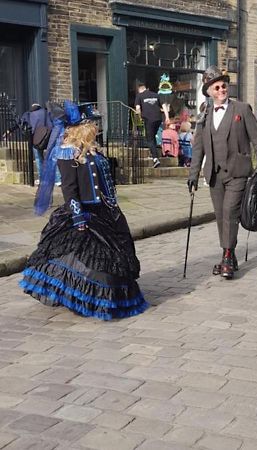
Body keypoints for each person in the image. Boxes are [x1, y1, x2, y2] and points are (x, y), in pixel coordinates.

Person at [20, 101, 149, 320]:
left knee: (113, 259)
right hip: (83, 212)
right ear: (84, 128)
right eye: (94, 125)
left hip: (106, 212)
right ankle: (81, 297)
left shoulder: (93, 151)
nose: (97, 128)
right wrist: (78, 216)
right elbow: (70, 190)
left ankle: (109, 298)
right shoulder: (67, 153)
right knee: (82, 258)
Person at [187, 66, 257, 279]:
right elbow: (198, 148)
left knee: (230, 212)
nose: (222, 89)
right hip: (214, 174)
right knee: (220, 215)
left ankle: (226, 256)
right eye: (217, 87)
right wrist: (193, 175)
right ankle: (229, 255)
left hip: (238, 171)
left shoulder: (241, 109)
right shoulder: (204, 113)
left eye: (224, 86)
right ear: (209, 91)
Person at [135, 82, 169, 168]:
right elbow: (164, 105)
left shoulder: (139, 96)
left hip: (148, 119)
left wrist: (139, 116)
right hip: (158, 119)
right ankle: (153, 153)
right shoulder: (156, 95)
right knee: (152, 136)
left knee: (149, 139)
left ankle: (155, 158)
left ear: (139, 89)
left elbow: (138, 109)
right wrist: (167, 117)